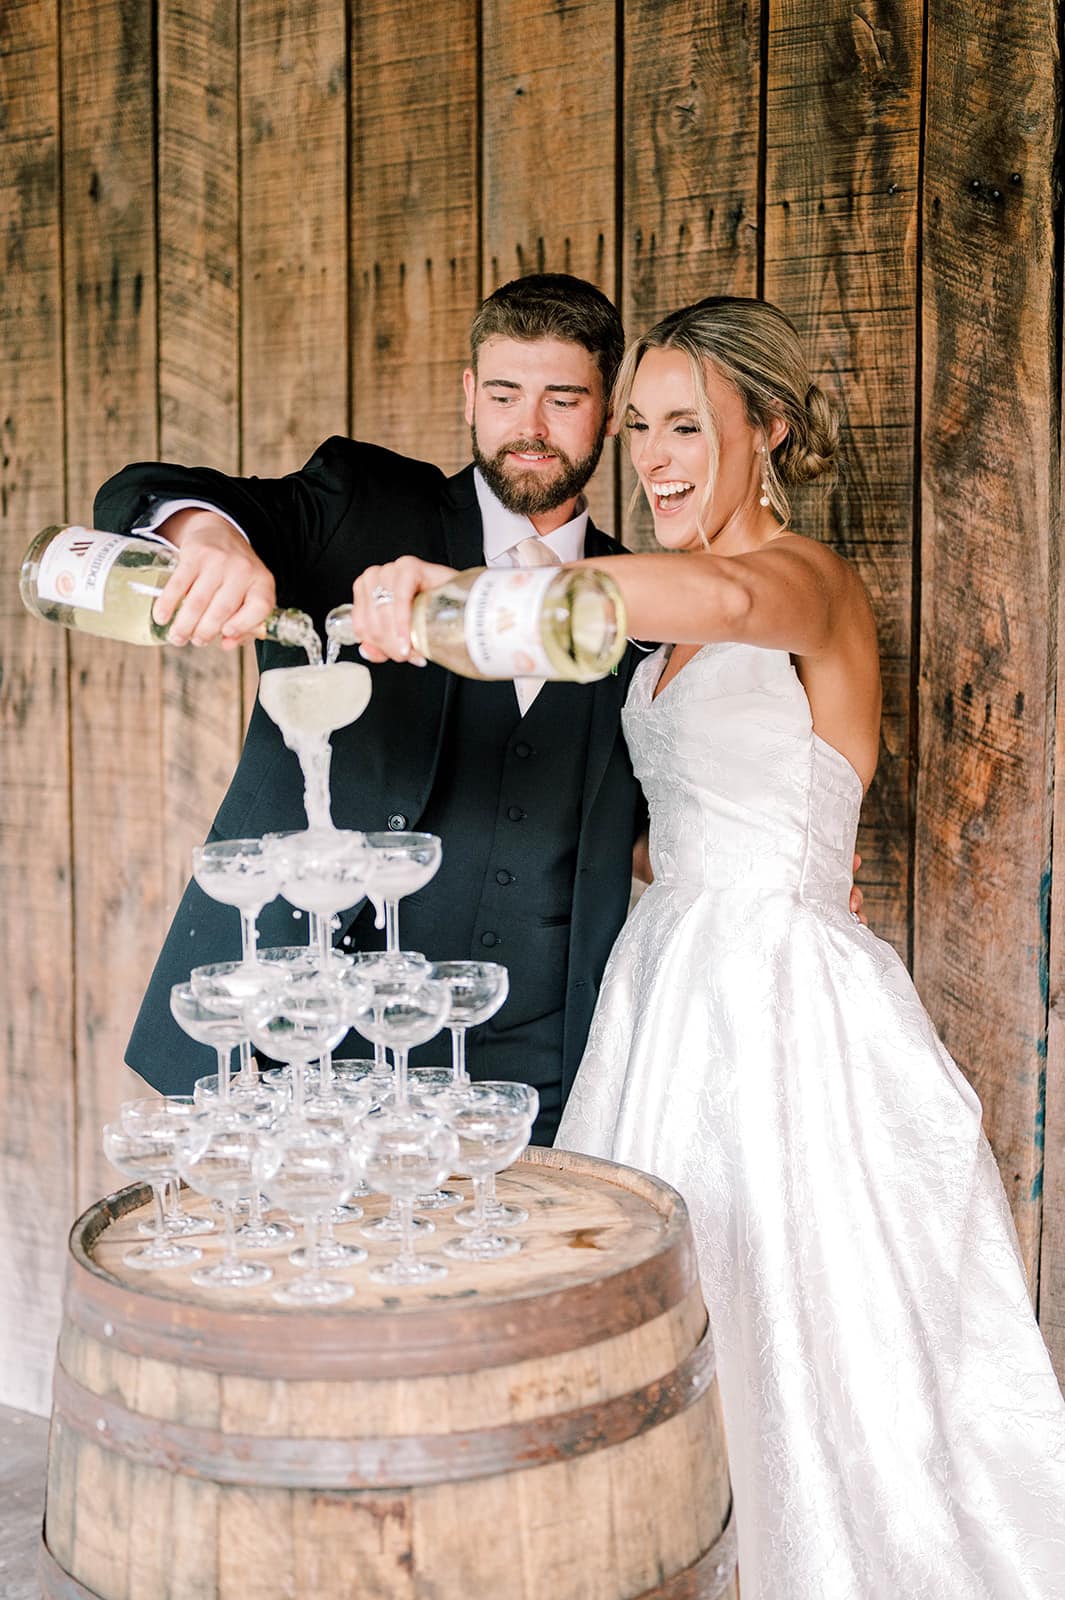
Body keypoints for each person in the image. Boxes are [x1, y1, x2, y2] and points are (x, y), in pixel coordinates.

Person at [354, 296, 1065, 1597]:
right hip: (662, 980)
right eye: (637, 429)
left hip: (782, 1004)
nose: (655, 458)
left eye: (687, 426)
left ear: (770, 429)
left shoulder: (802, 580)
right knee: (658, 1313)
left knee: (793, 1317)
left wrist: (476, 589)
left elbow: (730, 591)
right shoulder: (662, 629)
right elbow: (671, 804)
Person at [94, 274, 646, 1144]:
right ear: (469, 394)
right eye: (503, 394)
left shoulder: (641, 603)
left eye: (562, 398)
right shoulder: (367, 501)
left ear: (609, 412)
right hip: (295, 1037)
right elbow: (153, 486)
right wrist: (209, 542)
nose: (529, 427)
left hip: (529, 1063)